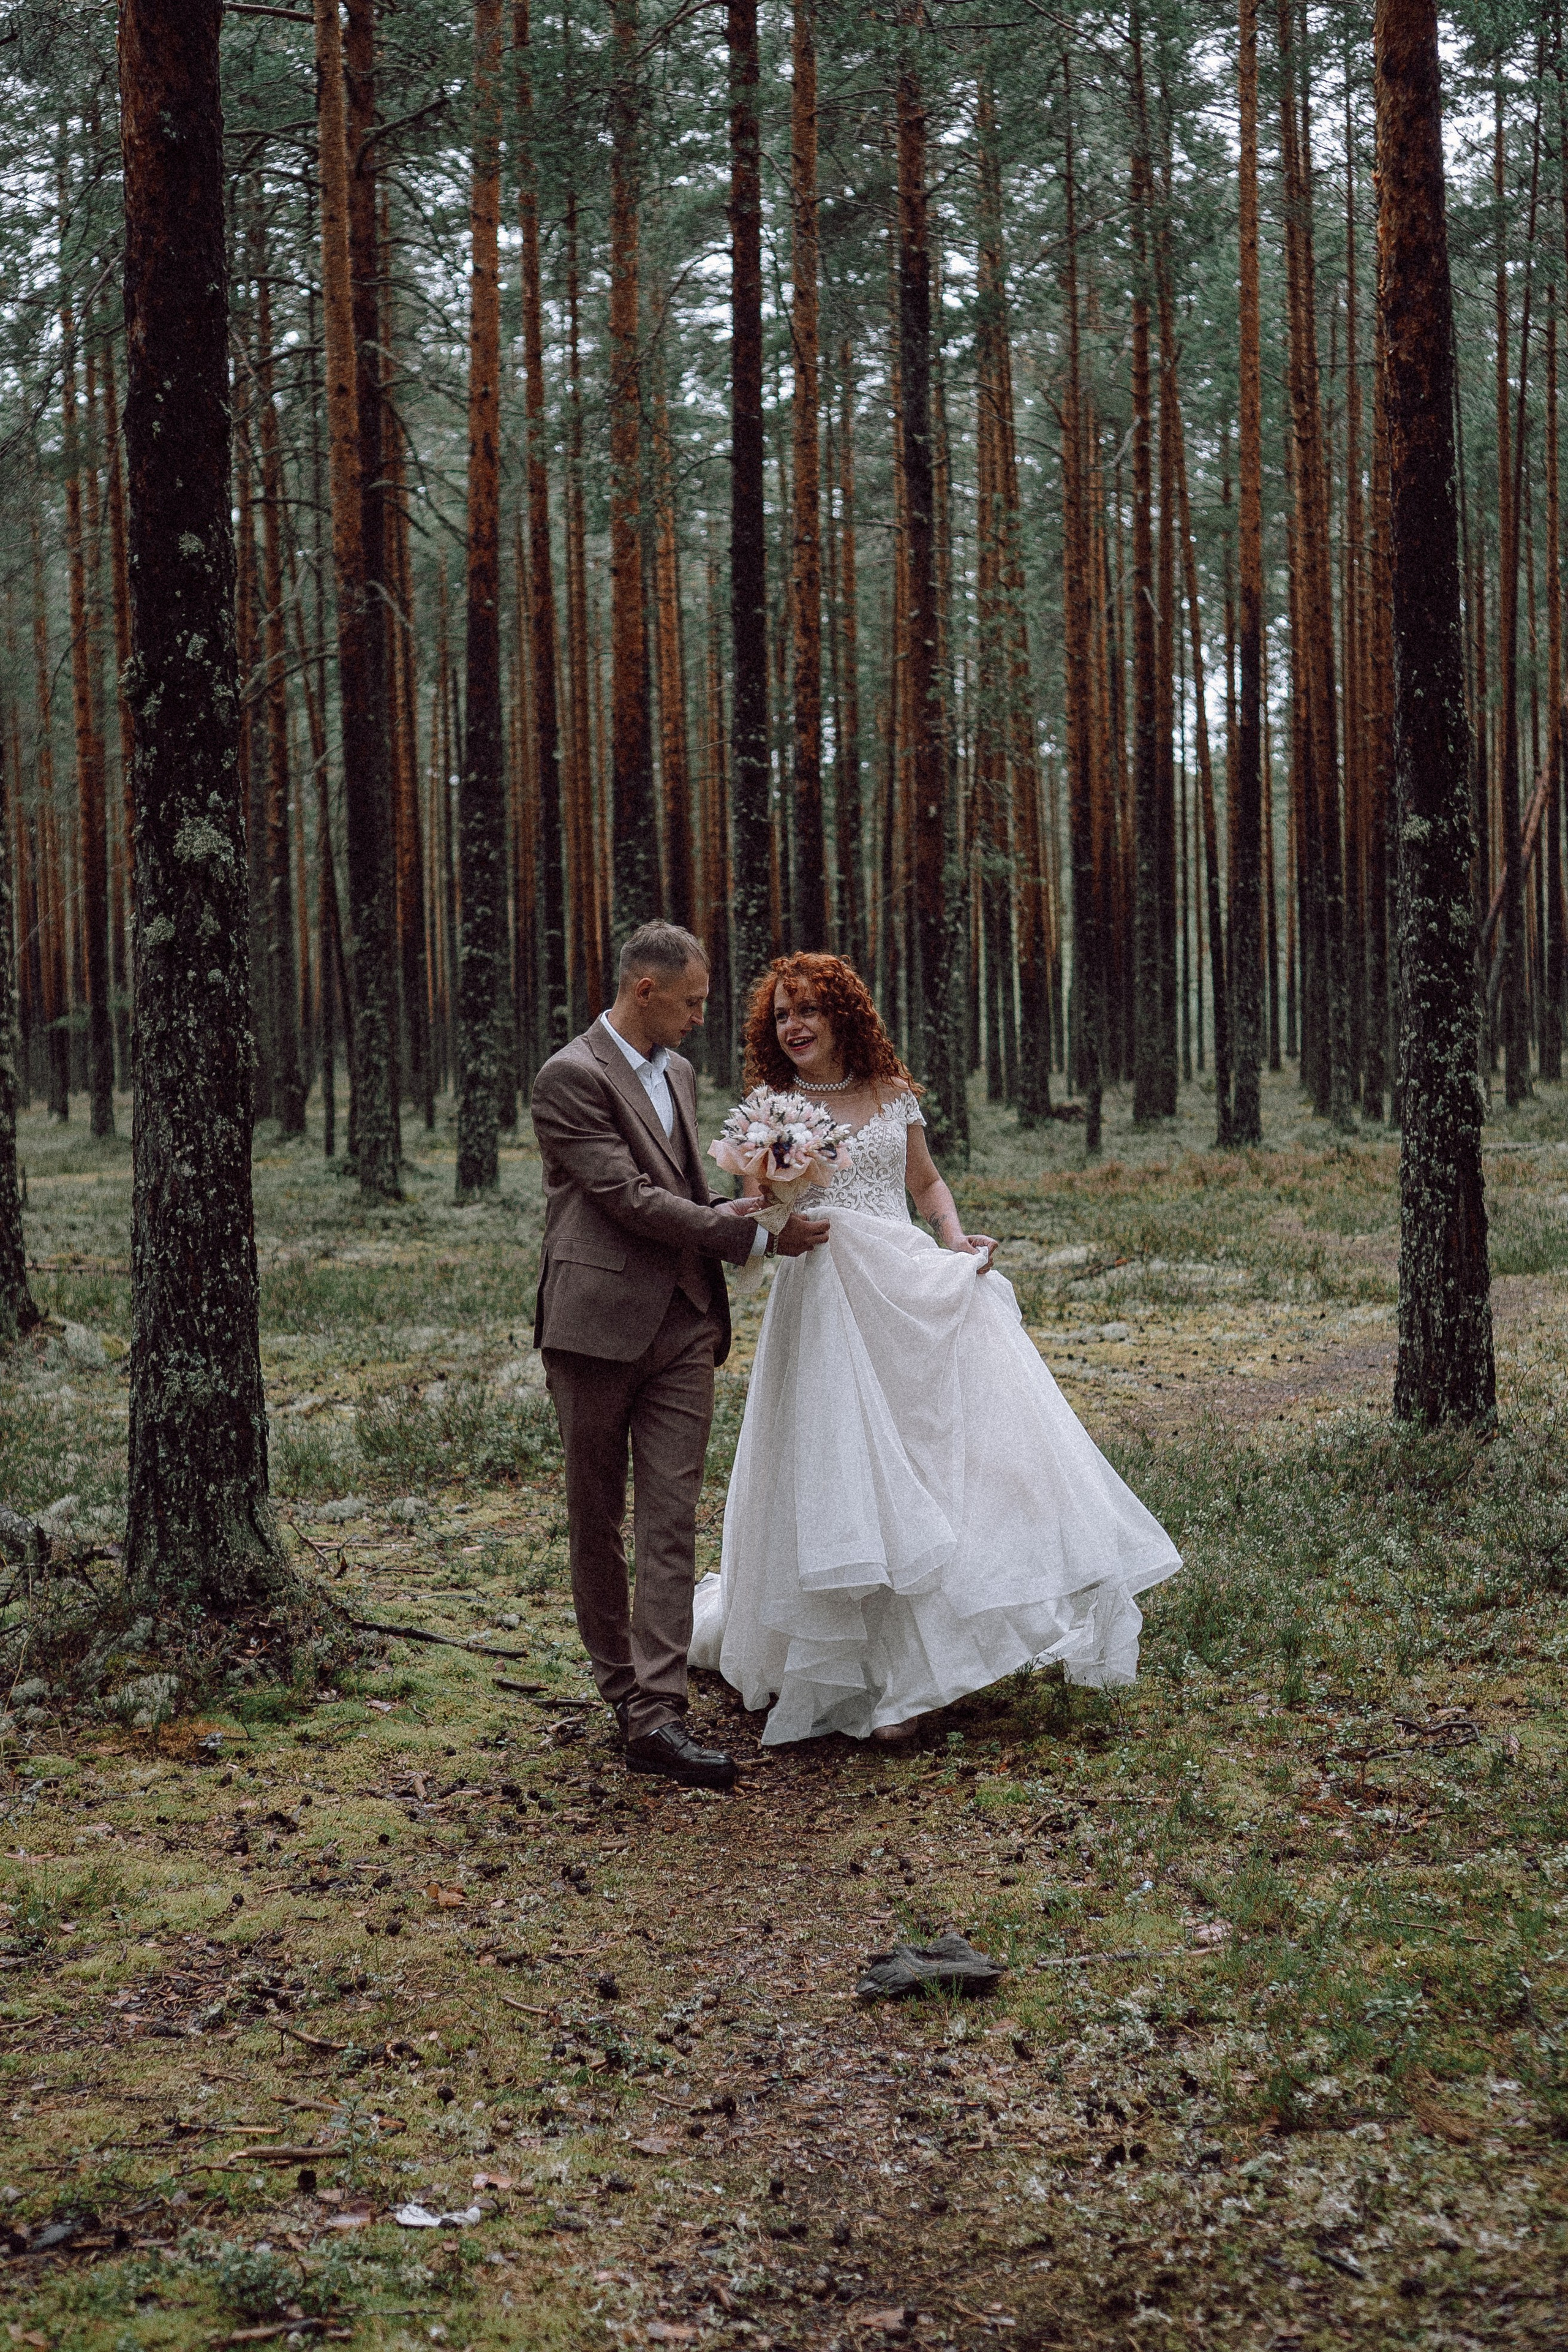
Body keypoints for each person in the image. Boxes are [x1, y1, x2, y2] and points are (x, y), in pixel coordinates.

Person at [690, 952, 1181, 1746]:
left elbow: (925, 1185)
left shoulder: (892, 1097)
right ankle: (854, 1668)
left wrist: (954, 1237)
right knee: (845, 1472)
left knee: (933, 1462)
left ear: (844, 1014)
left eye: (810, 1009)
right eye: (783, 1014)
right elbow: (762, 1208)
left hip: (907, 1290)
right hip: (823, 1304)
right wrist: (766, 1212)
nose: (796, 1025)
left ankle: (930, 1662)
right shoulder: (772, 1108)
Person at [530, 921, 828, 1789]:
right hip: (594, 1326)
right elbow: (625, 1197)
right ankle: (619, 1690)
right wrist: (757, 1244)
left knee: (671, 1517)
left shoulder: (684, 1073)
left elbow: (682, 1187)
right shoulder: (569, 1077)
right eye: (694, 1001)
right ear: (647, 991)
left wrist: (753, 1213)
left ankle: (659, 1714)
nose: (704, 1017)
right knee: (597, 1514)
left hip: (686, 1322)